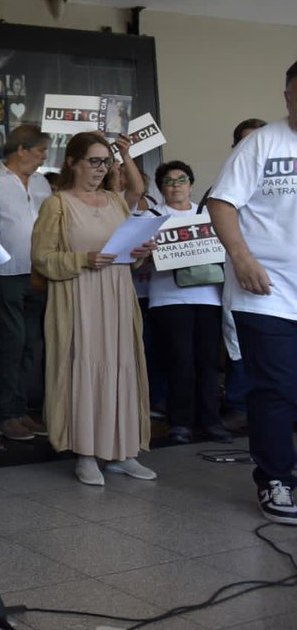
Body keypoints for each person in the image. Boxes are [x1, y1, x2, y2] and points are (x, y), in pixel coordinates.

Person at [30, 131, 156, 487]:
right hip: (78, 296)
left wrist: (137, 252)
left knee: (123, 366)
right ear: (72, 162)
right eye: (94, 161)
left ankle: (123, 451)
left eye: (105, 161)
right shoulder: (57, 204)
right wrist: (83, 259)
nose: (101, 169)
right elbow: (42, 257)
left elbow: (125, 246)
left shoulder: (115, 202)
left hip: (116, 295)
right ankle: (86, 453)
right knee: (83, 368)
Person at [207, 61, 297, 525]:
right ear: (287, 97)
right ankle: (276, 478)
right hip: (268, 291)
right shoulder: (262, 143)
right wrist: (241, 257)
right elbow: (221, 202)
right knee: (277, 388)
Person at [141, 161, 230, 444]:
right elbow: (136, 259)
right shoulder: (151, 217)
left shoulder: (207, 215)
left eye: (182, 179)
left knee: (208, 361)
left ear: (191, 184)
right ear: (161, 187)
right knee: (179, 360)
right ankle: (180, 422)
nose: (176, 185)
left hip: (208, 297)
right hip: (168, 298)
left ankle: (211, 421)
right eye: (169, 181)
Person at [0, 125, 53, 441]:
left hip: (40, 273)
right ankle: (4, 414)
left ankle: (21, 410)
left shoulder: (41, 182)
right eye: (39, 152)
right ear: (20, 149)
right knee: (10, 343)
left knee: (28, 346)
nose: (42, 158)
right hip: (5, 274)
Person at [218, 118, 267, 433]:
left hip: (283, 279)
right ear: (235, 148)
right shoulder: (223, 189)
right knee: (238, 337)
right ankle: (237, 404)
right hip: (241, 274)